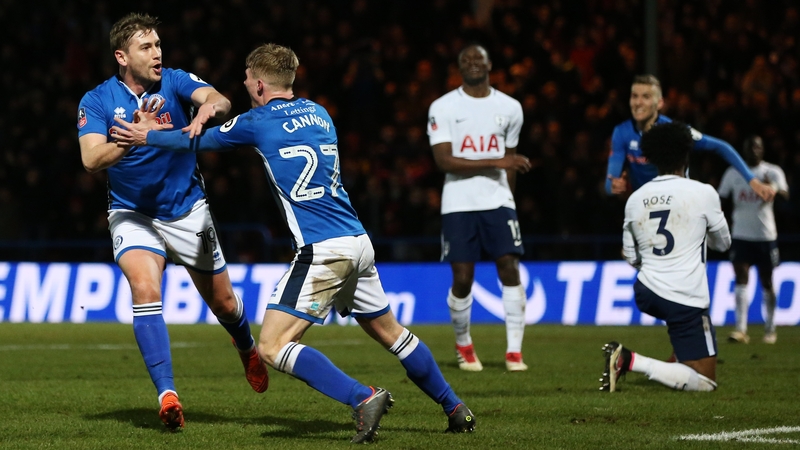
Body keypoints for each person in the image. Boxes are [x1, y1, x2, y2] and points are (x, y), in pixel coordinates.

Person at [111, 43, 476, 443]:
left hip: (323, 251)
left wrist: (148, 136)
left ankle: (363, 397)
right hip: (357, 240)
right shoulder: (319, 113)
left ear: (261, 85)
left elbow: (199, 143)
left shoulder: (257, 121)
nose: (245, 83)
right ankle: (455, 407)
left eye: (248, 77)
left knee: (272, 345)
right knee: (393, 333)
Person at [76, 13, 268, 431]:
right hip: (132, 212)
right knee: (144, 287)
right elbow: (91, 159)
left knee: (224, 303)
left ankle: (246, 346)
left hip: (186, 210)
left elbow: (221, 99)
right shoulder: (97, 100)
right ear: (122, 56)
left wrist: (206, 111)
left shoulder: (176, 81)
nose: (158, 53)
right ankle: (167, 395)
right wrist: (132, 139)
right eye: (147, 47)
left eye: (159, 44)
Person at [601, 121, 731, 393]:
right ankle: (628, 360)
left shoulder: (636, 199)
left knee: (686, 355)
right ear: (686, 156)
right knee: (706, 381)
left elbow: (632, 256)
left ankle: (675, 357)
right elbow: (722, 243)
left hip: (647, 290)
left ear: (650, 158)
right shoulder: (703, 192)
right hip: (686, 295)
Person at [426, 44, 532, 373]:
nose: (473, 63)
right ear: (460, 68)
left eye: (478, 58)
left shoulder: (511, 107)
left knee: (509, 268)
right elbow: (444, 161)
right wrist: (497, 161)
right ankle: (463, 345)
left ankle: (514, 352)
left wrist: (509, 198)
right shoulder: (443, 107)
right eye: (466, 59)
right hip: (458, 202)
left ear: (489, 64)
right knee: (463, 278)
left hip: (498, 201)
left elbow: (511, 165)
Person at [605, 74, 775, 203]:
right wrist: (614, 186)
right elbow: (609, 182)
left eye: (645, 97)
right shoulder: (621, 132)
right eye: (634, 96)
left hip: (678, 205)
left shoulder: (675, 131)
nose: (638, 102)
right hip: (644, 208)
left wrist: (753, 181)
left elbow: (720, 146)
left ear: (660, 103)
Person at [717, 135, 789, 344]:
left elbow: (785, 195)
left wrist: (772, 189)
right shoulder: (733, 172)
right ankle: (740, 329)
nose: (754, 150)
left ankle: (770, 328)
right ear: (744, 150)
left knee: (767, 281)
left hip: (765, 235)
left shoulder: (772, 171)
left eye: (757, 146)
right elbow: (721, 198)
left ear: (763, 149)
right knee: (741, 278)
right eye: (750, 147)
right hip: (740, 234)